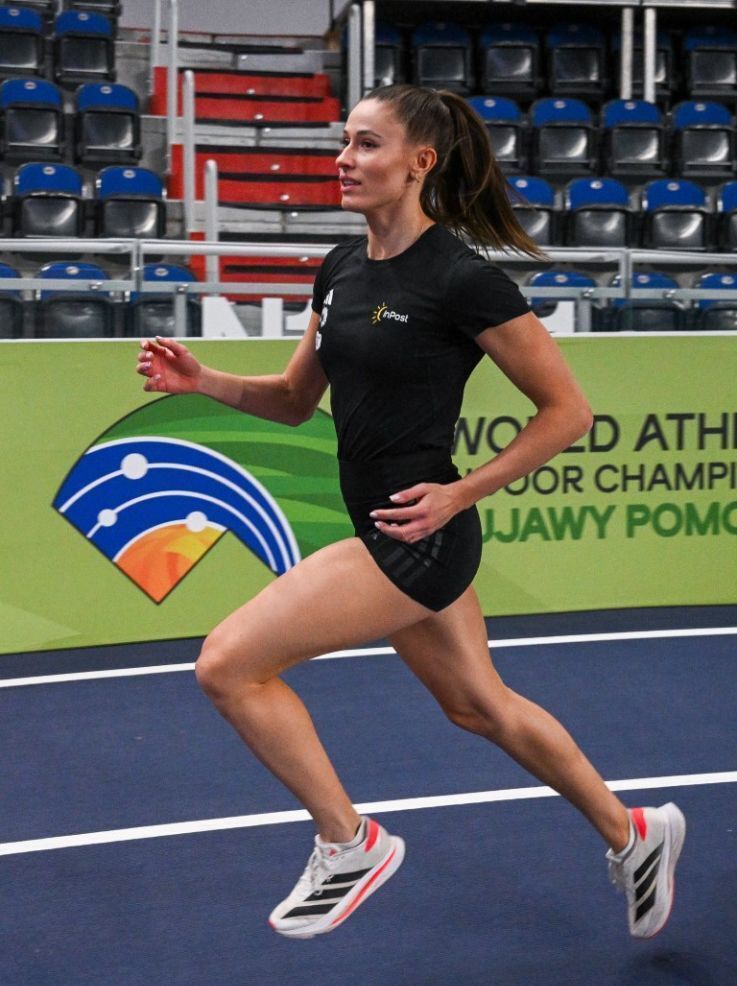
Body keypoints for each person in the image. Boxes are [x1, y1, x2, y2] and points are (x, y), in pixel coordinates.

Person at [136, 84, 685, 941]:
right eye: (344, 141)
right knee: (479, 707)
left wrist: (462, 492)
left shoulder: (462, 279)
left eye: (366, 144)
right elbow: (293, 400)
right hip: (384, 525)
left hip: (418, 534)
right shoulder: (340, 268)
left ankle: (348, 842)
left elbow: (566, 413)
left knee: (228, 666)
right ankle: (634, 833)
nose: (343, 159)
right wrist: (202, 381)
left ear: (418, 163)